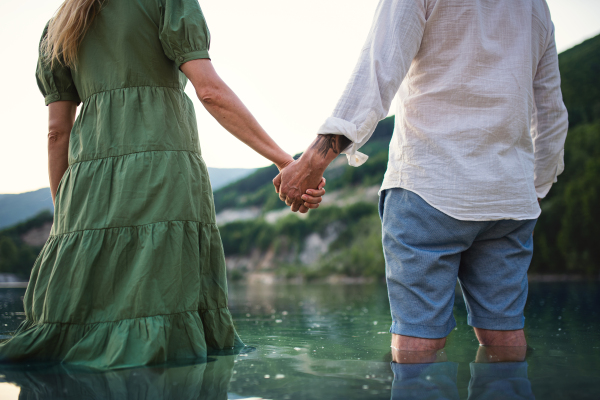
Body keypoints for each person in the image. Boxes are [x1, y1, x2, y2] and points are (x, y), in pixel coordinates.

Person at [0, 0, 324, 369]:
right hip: (163, 176)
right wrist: (285, 161)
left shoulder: (58, 27)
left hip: (89, 189)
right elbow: (210, 92)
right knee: (164, 321)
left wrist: (69, 217)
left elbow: (57, 133)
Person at [275, 0, 568, 358]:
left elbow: (377, 73)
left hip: (428, 189)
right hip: (508, 201)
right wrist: (532, 190)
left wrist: (314, 160)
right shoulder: (535, 6)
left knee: (419, 340)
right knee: (504, 332)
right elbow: (551, 112)